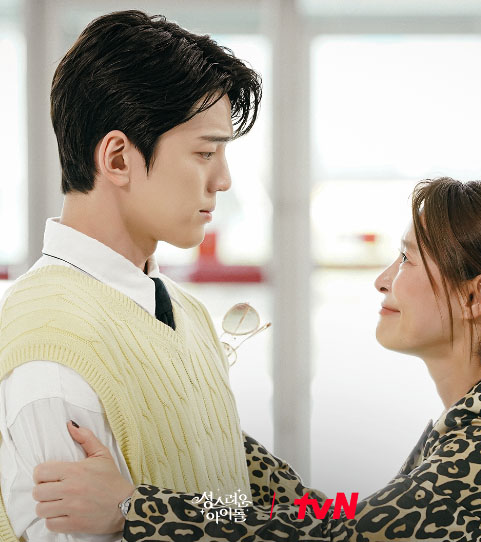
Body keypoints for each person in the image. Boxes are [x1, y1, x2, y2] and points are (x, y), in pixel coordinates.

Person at [34, 177, 481, 541]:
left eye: (408, 259)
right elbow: (335, 517)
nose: (383, 279)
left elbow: (339, 537)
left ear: (477, 296)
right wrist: (213, 424)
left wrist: (134, 509)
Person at [0, 9, 271, 542]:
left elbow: (234, 507)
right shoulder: (53, 346)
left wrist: (138, 508)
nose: (223, 179)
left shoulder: (184, 310)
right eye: (205, 152)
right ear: (119, 158)